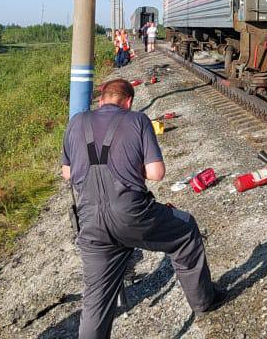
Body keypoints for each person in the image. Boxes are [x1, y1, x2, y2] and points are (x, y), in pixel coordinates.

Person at [61, 79, 225, 338]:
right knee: (185, 231)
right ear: (128, 102)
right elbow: (156, 173)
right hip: (133, 214)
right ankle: (204, 301)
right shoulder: (137, 120)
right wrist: (130, 168)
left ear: (101, 99)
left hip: (90, 221)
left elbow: (67, 173)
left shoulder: (76, 122)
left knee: (95, 299)